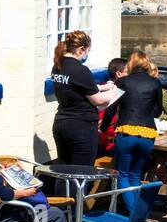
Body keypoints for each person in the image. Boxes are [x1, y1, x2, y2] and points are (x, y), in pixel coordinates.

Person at [51, 30, 121, 167]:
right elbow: (99, 100)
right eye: (88, 51)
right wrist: (115, 91)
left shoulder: (58, 66)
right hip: (81, 126)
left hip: (61, 123)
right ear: (81, 49)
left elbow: (75, 87)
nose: (87, 55)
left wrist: (101, 87)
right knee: (81, 172)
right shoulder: (80, 70)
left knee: (62, 172)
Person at [113, 50, 165, 222]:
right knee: (135, 175)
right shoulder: (155, 83)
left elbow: (112, 108)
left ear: (131, 64)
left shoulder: (122, 82)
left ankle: (136, 214)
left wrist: (104, 126)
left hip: (127, 130)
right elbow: (158, 111)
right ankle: (139, 212)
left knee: (122, 175)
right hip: (147, 133)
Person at [97, 57, 128, 158]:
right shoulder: (115, 92)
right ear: (118, 74)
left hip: (105, 143)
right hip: (108, 145)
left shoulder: (101, 89)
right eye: (128, 72)